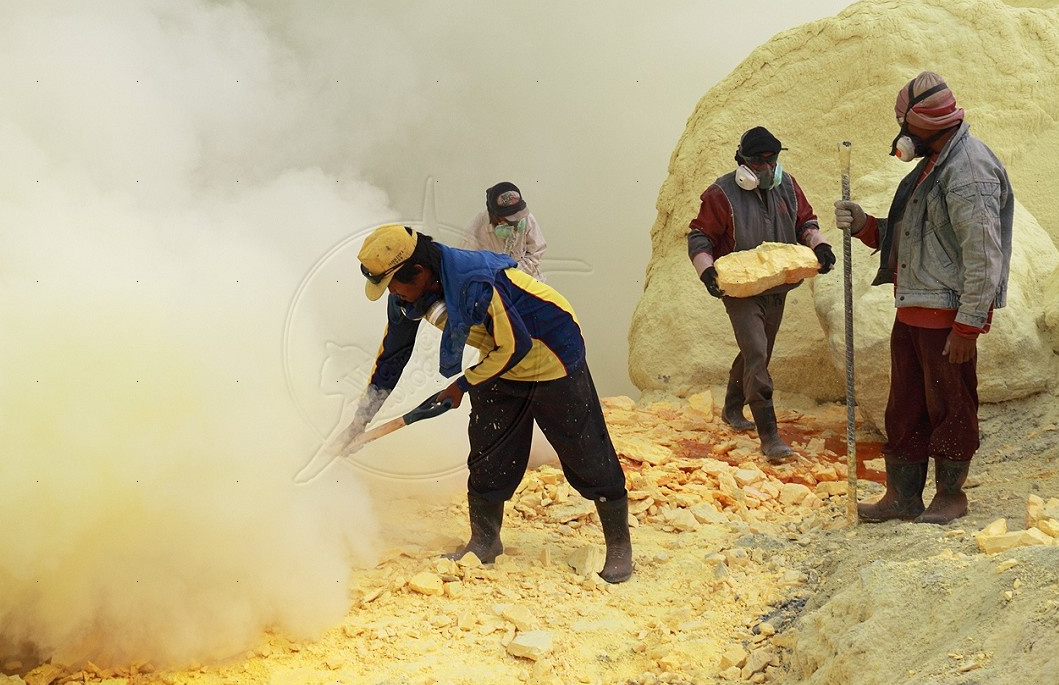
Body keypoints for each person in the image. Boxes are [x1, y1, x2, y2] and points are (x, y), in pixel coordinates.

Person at [345, 224, 632, 583]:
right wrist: (360, 421)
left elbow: (517, 348)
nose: (393, 295)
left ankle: (619, 545)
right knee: (489, 448)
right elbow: (391, 357)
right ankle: (485, 541)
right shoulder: (407, 295)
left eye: (393, 286)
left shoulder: (476, 282)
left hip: (552, 352)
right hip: (500, 355)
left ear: (419, 271)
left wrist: (462, 385)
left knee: (584, 448)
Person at [835, 71, 1013, 525]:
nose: (900, 134)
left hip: (947, 319)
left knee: (951, 407)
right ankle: (903, 498)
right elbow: (918, 237)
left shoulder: (967, 171)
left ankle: (950, 496)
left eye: (904, 124)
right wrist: (867, 227)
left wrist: (968, 327)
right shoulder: (934, 164)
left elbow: (984, 256)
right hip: (914, 312)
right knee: (907, 407)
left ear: (926, 124)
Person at [687, 126, 835, 462]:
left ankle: (731, 405)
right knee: (756, 351)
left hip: (777, 285)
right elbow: (699, 238)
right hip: (740, 289)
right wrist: (707, 271)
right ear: (743, 163)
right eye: (759, 163)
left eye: (773, 162)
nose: (767, 169)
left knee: (759, 351)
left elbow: (805, 223)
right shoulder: (720, 194)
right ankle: (770, 437)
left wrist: (819, 245)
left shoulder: (788, 186)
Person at [463, 182, 547, 280]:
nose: (515, 224)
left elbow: (536, 253)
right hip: (493, 285)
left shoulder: (526, 218)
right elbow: (467, 266)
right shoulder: (474, 229)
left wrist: (512, 274)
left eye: (517, 218)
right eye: (510, 219)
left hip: (526, 280)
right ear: (493, 215)